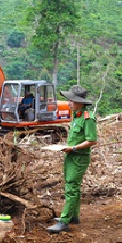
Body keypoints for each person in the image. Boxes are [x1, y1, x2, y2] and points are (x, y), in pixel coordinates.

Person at [48, 85, 98, 233]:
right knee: (71, 185)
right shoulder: (76, 117)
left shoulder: (87, 119)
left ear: (80, 102)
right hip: (71, 156)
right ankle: (73, 216)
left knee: (72, 187)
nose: (69, 103)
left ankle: (64, 221)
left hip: (79, 158)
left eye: (71, 101)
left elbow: (92, 140)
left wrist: (74, 148)